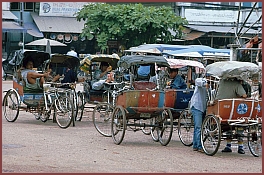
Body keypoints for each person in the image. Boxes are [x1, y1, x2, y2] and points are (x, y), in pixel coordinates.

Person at [216, 78, 247, 154]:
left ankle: (228, 145)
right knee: (239, 123)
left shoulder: (222, 81)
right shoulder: (236, 84)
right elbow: (244, 95)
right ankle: (240, 147)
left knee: (228, 127)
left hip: (220, 108)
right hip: (232, 109)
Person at [189, 78, 208, 153]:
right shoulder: (200, 80)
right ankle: (199, 146)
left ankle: (195, 145)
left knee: (198, 127)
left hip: (203, 107)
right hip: (197, 106)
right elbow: (198, 82)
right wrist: (205, 84)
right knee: (198, 127)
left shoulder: (212, 86)